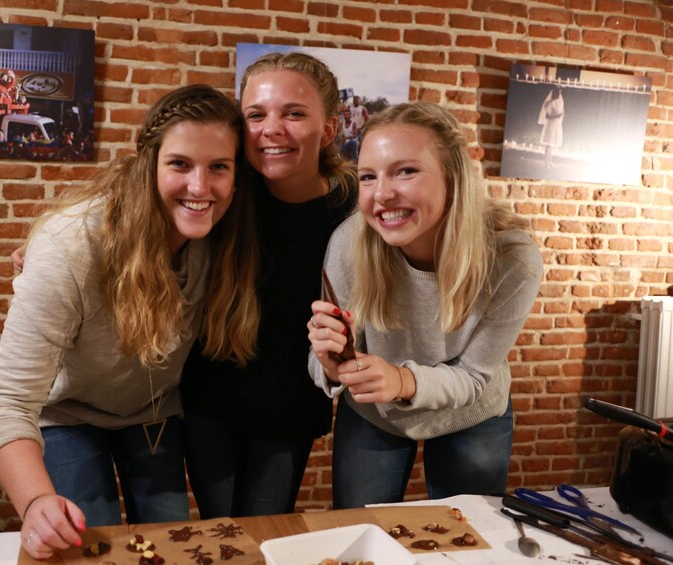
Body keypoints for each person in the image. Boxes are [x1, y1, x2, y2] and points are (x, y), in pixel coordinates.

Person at [0, 84, 259, 560]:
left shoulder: (221, 235)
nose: (200, 187)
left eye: (219, 167)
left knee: (170, 546)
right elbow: (4, 402)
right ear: (149, 164)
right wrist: (37, 502)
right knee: (92, 546)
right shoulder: (72, 244)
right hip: (66, 413)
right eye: (179, 164)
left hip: (152, 413)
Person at [307, 101, 543, 509]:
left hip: (471, 413)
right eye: (367, 176)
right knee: (360, 528)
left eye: (406, 171)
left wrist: (403, 380)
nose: (382, 193)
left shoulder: (511, 258)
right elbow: (329, 358)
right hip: (375, 414)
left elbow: (472, 378)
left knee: (469, 536)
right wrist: (328, 364)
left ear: (454, 176)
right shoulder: (349, 243)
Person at [179, 52, 357, 518]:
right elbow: (141, 189)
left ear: (329, 129)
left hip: (291, 409)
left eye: (294, 113)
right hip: (209, 397)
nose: (271, 128)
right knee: (219, 534)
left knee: (263, 534)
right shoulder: (223, 184)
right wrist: (44, 239)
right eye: (256, 114)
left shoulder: (357, 207)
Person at [538, 86, 564, 168]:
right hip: (550, 124)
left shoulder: (559, 102)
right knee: (548, 144)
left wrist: (561, 116)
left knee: (552, 144)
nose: (559, 94)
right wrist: (557, 116)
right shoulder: (549, 103)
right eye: (558, 93)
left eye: (560, 93)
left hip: (556, 124)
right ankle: (546, 162)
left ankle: (549, 161)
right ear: (554, 93)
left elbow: (561, 112)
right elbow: (548, 116)